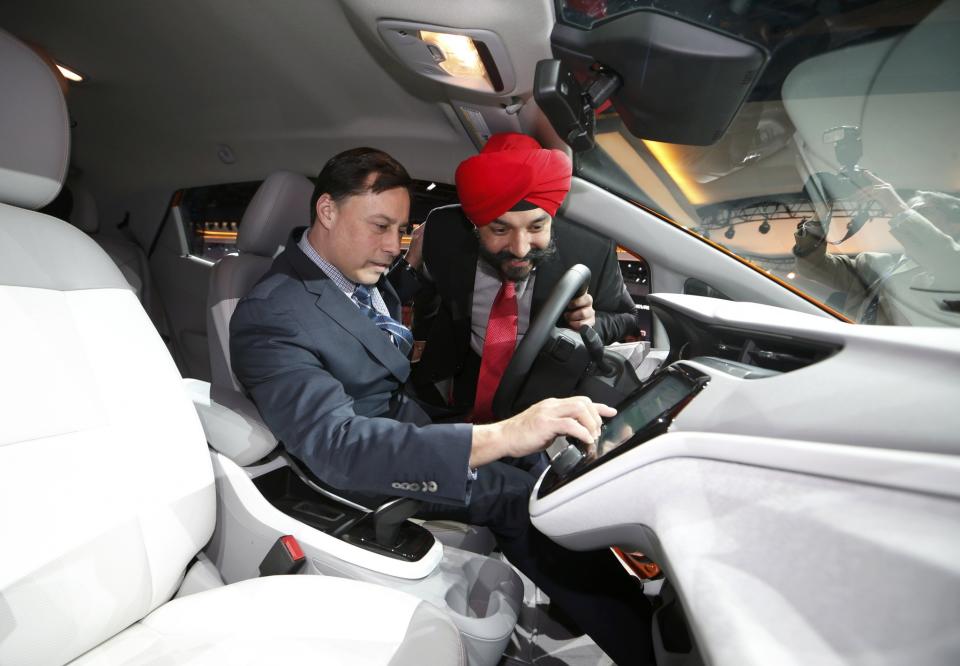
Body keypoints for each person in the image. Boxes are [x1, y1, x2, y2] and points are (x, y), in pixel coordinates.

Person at [230, 147, 655, 665]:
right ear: (326, 212)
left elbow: (379, 332)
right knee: (518, 496)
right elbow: (335, 447)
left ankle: (599, 600)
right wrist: (499, 436)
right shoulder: (273, 314)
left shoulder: (349, 274)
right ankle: (646, 646)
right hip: (360, 468)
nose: (392, 247)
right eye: (380, 227)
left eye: (401, 230)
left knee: (541, 463)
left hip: (405, 421)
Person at [396, 132, 641, 419]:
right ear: (474, 225)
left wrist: (591, 323)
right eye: (500, 230)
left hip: (549, 391)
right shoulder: (445, 230)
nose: (520, 249)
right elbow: (427, 292)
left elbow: (626, 318)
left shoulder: (591, 249)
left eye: (536, 228)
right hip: (460, 380)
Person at [793, 170, 960, 325]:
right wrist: (821, 213)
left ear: (955, 225)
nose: (909, 216)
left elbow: (948, 258)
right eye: (911, 212)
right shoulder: (872, 263)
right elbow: (812, 267)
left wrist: (898, 206)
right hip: (862, 351)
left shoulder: (950, 266)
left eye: (922, 211)